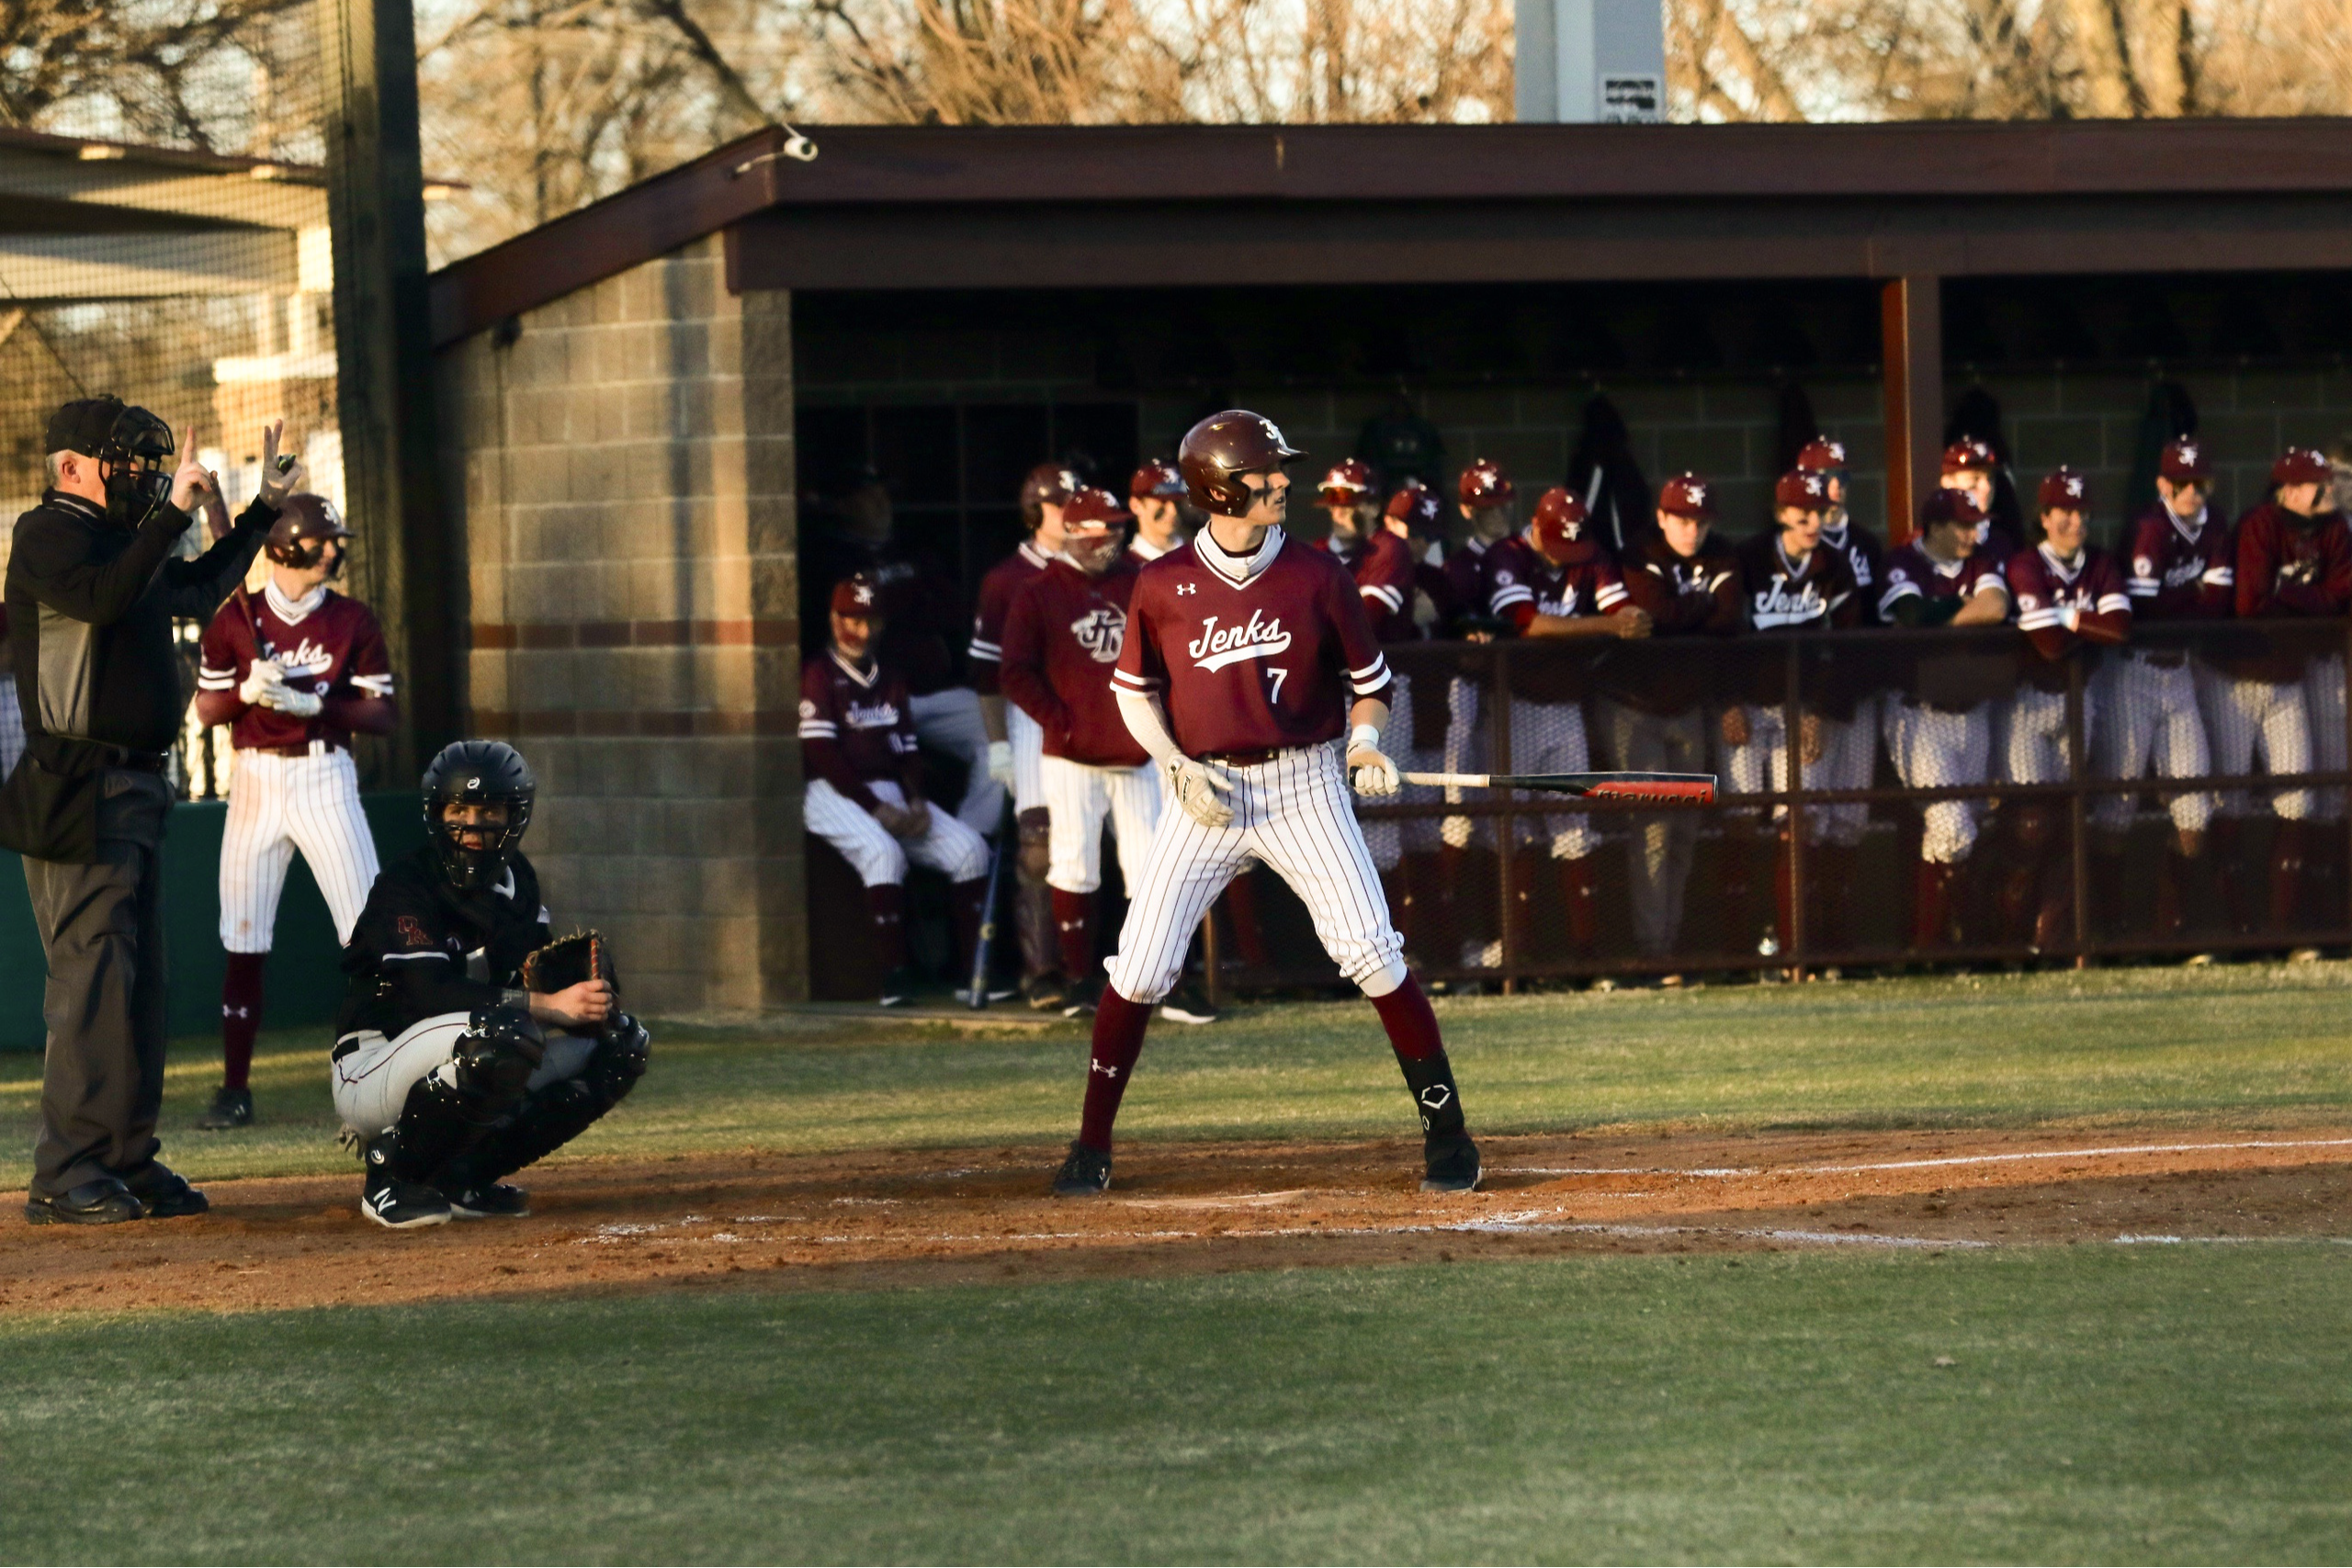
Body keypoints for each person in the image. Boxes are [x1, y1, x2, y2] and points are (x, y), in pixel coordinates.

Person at [1056, 409, 1479, 1197]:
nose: (1283, 481)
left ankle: (1449, 1134)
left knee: (1371, 951)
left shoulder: (1317, 573)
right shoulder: (1161, 582)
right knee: (1141, 966)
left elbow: (1370, 686)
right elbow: (1133, 693)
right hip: (1203, 791)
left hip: (1303, 781)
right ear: (1220, 486)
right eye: (1265, 472)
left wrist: (1363, 743)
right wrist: (1174, 763)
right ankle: (1090, 1144)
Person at [6, 399, 299, 1225]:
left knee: (139, 988)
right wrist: (170, 515)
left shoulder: (118, 546)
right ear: (72, 467)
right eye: (123, 461)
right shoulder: (48, 535)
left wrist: (261, 512)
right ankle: (67, 1170)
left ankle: (127, 1157)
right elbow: (104, 598)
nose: (141, 474)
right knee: (91, 984)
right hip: (78, 786)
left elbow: (203, 588)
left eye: (146, 461)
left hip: (134, 787)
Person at [331, 740, 650, 1229]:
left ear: (514, 816)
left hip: (464, 1046)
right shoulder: (407, 882)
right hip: (373, 1062)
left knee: (622, 1044)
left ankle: (463, 1178)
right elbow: (428, 994)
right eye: (458, 808)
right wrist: (548, 1004)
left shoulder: (517, 882)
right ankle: (391, 1177)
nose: (472, 824)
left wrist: (593, 995)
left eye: (489, 809)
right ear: (436, 813)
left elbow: (537, 967)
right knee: (503, 1033)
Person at [191, 493, 396, 1131]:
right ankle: (233, 1089)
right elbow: (207, 708)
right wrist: (246, 692)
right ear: (284, 548)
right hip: (253, 779)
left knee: (370, 934)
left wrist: (316, 706)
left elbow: (383, 714)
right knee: (243, 936)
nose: (334, 549)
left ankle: (386, 1077)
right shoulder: (233, 619)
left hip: (323, 775)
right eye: (322, 540)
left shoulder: (351, 619)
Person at [999, 487, 1163, 1014]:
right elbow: (1014, 673)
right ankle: (1078, 979)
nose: (1113, 537)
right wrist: (1059, 721)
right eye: (1104, 528)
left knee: (1148, 865)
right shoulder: (1038, 591)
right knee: (1073, 863)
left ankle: (1150, 979)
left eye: (1118, 527)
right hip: (1069, 753)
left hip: (1135, 748)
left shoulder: (1138, 580)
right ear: (1076, 532)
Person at [1479, 483, 1649, 964]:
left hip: (1566, 705)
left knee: (1573, 824)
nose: (1564, 558)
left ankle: (1585, 953)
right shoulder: (1506, 554)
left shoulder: (1590, 557)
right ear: (1535, 529)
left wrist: (1629, 618)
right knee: (1512, 828)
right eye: (1558, 547)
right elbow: (1528, 623)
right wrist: (1606, 626)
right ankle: (1516, 953)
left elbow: (1620, 608)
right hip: (1513, 705)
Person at [802, 574, 992, 1005]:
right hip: (831, 792)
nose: (862, 632)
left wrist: (917, 800)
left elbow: (907, 748)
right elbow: (822, 753)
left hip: (889, 789)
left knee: (970, 850)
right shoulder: (819, 673)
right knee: (883, 853)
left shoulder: (889, 676)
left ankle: (971, 975)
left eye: (870, 622)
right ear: (834, 620)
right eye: (852, 621)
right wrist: (877, 809)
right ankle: (895, 977)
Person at [1605, 473, 1740, 975]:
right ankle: (1651, 949)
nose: (1693, 530)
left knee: (1685, 829)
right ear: (1662, 518)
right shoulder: (1639, 552)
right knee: (1653, 829)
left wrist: (1693, 610)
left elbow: (1729, 618)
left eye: (1701, 521)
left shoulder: (1723, 553)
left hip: (1689, 707)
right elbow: (1654, 616)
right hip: (1635, 705)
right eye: (1683, 519)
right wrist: (1700, 603)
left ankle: (1668, 943)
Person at [820, 469, 1001, 836]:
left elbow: (952, 610)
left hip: (931, 692)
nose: (881, 505)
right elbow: (862, 625)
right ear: (845, 506)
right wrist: (909, 603)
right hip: (872, 700)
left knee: (1002, 732)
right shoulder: (831, 557)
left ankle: (972, 839)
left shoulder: (912, 548)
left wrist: (898, 606)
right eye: (869, 497)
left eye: (883, 495)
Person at [1726, 468, 1860, 961]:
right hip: (1747, 706)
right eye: (1802, 516)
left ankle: (1794, 947)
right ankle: (1737, 949)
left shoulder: (1834, 565)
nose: (1813, 525)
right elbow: (1720, 636)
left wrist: (1818, 712)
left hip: (1800, 707)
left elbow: (1844, 646)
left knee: (1797, 820)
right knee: (1740, 818)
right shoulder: (1748, 559)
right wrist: (1726, 701)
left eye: (1820, 515)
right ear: (1782, 515)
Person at [2100, 437, 2225, 943]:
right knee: (2115, 809)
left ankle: (2171, 928)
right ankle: (2107, 930)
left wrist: (2187, 600)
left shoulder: (2214, 524)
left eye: (2198, 484)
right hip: (2133, 671)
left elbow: (2218, 606)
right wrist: (2192, 595)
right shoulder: (2149, 527)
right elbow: (2145, 611)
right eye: (2180, 484)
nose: (2191, 493)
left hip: (2181, 674)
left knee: (2195, 809)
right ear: (2163, 486)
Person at [2000, 468, 2130, 951]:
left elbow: (2118, 628)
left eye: (2081, 513)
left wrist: (2068, 614)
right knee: (2032, 825)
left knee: (2072, 818)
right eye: (2065, 513)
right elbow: (2050, 646)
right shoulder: (2025, 564)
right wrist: (2078, 625)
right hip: (2029, 702)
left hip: (2082, 698)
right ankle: (2010, 934)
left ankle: (2051, 938)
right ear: (2045, 516)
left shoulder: (2099, 562)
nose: (2075, 523)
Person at [2226, 446, 2352, 941]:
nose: (2329, 491)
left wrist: (2289, 595)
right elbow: (2249, 605)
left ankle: (2291, 930)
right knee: (2224, 803)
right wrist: (2308, 604)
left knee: (2306, 798)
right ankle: (2230, 930)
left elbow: (2341, 596)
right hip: (2238, 673)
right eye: (2319, 483)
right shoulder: (2260, 524)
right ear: (2288, 490)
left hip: (2298, 670)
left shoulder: (2335, 528)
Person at [1879, 487, 2012, 951]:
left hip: (1971, 708)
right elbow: (1911, 614)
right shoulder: (1902, 561)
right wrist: (1959, 612)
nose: (1971, 533)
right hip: (1918, 711)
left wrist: (1942, 620)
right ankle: (1971, 938)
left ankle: (1929, 945)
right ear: (1934, 527)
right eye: (1961, 524)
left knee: (1958, 826)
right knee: (1953, 825)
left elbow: (1995, 607)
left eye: (1976, 523)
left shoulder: (1980, 559)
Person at [969, 462, 1076, 1007]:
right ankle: (1043, 973)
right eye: (1060, 504)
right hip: (1030, 721)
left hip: (1094, 718)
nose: (1071, 513)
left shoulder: (1097, 567)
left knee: (1102, 845)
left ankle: (1103, 968)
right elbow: (988, 676)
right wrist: (998, 745)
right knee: (1039, 849)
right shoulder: (1007, 579)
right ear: (1037, 511)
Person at [1319, 459, 1432, 953]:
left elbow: (1367, 619)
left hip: (1383, 695)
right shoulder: (1317, 555)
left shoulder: (1389, 547)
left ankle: (1398, 948)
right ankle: (1348, 948)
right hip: (1329, 700)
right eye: (1337, 503)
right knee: (1332, 823)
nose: (1346, 512)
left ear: (1373, 502)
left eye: (1356, 501)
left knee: (1384, 816)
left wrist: (1305, 634)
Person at [1940, 438, 2023, 559]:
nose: (1987, 488)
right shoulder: (1929, 542)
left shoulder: (2002, 542)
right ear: (1947, 483)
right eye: (1974, 479)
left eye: (1990, 479)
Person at [1128, 460, 1190, 562]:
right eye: (1163, 501)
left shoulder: (1200, 558)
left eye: (1178, 501)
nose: (1173, 510)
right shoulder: (1125, 572)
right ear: (1136, 506)